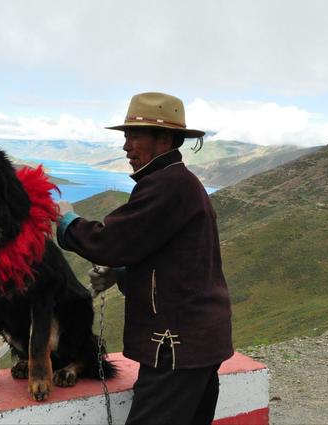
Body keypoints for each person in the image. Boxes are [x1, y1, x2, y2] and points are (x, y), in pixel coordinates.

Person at [56, 92, 233, 425]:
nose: (126, 146)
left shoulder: (168, 184)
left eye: (134, 135)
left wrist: (68, 222)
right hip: (198, 343)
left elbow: (109, 241)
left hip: (176, 348)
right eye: (125, 136)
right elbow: (172, 263)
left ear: (164, 138)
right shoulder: (179, 183)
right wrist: (122, 272)